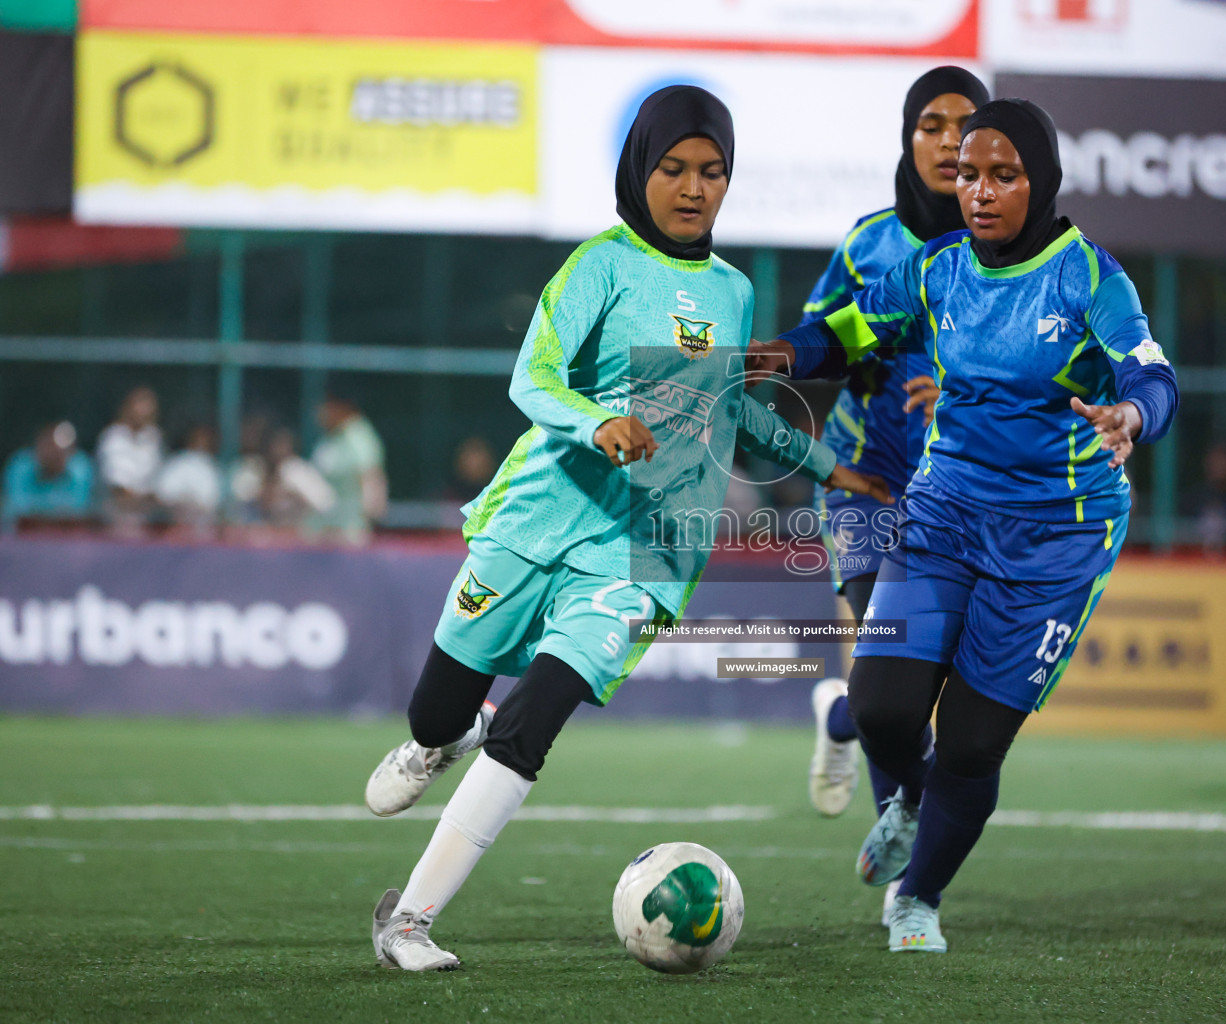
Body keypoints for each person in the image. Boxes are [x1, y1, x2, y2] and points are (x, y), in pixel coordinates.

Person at [363, 85, 889, 972]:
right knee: (441, 709)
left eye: (712, 171)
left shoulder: (730, 289)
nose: (694, 188)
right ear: (639, 170)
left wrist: (829, 466)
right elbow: (532, 380)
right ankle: (436, 740)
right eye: (674, 169)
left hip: (644, 548)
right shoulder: (598, 265)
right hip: (543, 514)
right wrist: (593, 422)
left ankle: (406, 922)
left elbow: (728, 410)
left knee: (531, 720)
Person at [749, 98, 1179, 953]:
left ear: (1042, 181)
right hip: (945, 511)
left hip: (1057, 536)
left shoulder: (1090, 276)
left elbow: (1151, 370)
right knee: (879, 706)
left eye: (1003, 175)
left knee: (975, 744)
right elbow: (850, 326)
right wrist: (789, 354)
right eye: (971, 175)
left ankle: (918, 898)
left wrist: (1133, 417)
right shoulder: (939, 267)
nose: (980, 191)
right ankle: (907, 798)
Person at [797, 67, 990, 928]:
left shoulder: (1017, 258)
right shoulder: (870, 243)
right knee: (893, 663)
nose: (950, 141)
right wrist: (805, 354)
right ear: (908, 141)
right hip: (867, 484)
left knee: (913, 693)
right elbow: (821, 340)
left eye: (967, 126)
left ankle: (839, 721)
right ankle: (911, 870)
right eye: (933, 125)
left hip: (967, 494)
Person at [309, 391, 387, 545]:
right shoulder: (329, 437)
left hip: (348, 533)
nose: (320, 412)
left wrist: (371, 519)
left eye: (326, 406)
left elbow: (371, 478)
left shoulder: (359, 436)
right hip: (321, 531)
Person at [1, 420, 94, 530]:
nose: (53, 453)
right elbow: (18, 512)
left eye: (59, 450)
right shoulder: (21, 466)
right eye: (48, 445)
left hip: (68, 538)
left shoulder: (80, 468)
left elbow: (79, 512)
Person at [96, 386, 162, 535]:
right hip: (113, 523)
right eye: (140, 405)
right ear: (127, 407)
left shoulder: (153, 437)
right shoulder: (113, 438)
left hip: (146, 521)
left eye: (149, 407)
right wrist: (151, 500)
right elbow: (120, 493)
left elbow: (156, 486)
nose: (145, 411)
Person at [155, 423, 223, 536]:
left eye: (205, 439)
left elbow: (213, 501)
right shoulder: (177, 463)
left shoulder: (211, 467)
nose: (202, 442)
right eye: (199, 438)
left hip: (202, 529)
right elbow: (163, 494)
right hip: (173, 526)